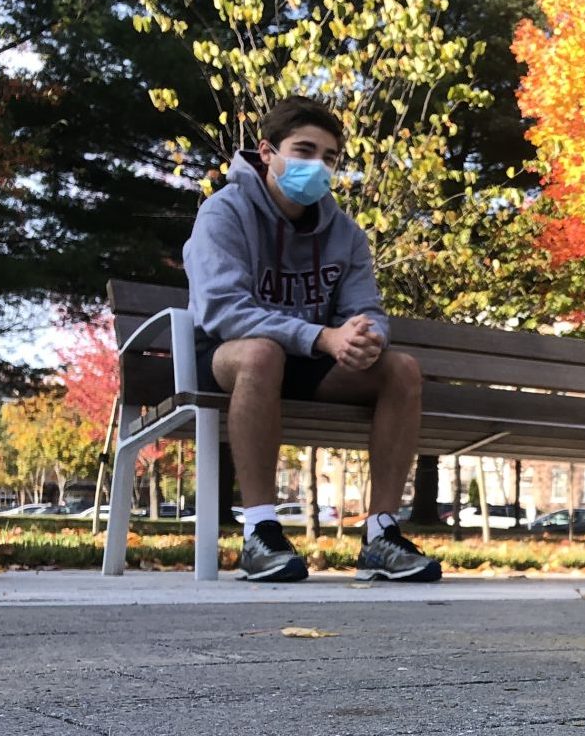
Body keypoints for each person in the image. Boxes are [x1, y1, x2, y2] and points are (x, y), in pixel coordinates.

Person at [182, 96, 440, 582]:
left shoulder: (345, 233)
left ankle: (381, 535)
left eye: (330, 158)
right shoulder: (224, 213)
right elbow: (223, 311)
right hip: (228, 355)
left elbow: (367, 310)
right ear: (266, 151)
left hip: (311, 356)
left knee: (400, 369)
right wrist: (322, 336)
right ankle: (260, 533)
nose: (317, 166)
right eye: (303, 150)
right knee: (262, 353)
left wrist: (367, 337)